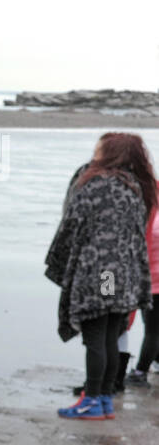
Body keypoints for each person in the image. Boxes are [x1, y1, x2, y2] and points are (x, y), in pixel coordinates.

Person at [47, 133, 155, 420]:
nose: (94, 153)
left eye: (99, 149)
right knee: (109, 332)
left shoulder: (95, 183)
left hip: (100, 272)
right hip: (123, 274)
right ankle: (105, 398)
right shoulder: (133, 187)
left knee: (95, 335)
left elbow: (72, 222)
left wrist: (57, 264)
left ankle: (92, 399)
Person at [126, 195, 159, 387]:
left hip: (149, 283)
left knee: (152, 330)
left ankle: (140, 371)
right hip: (147, 282)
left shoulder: (149, 221)